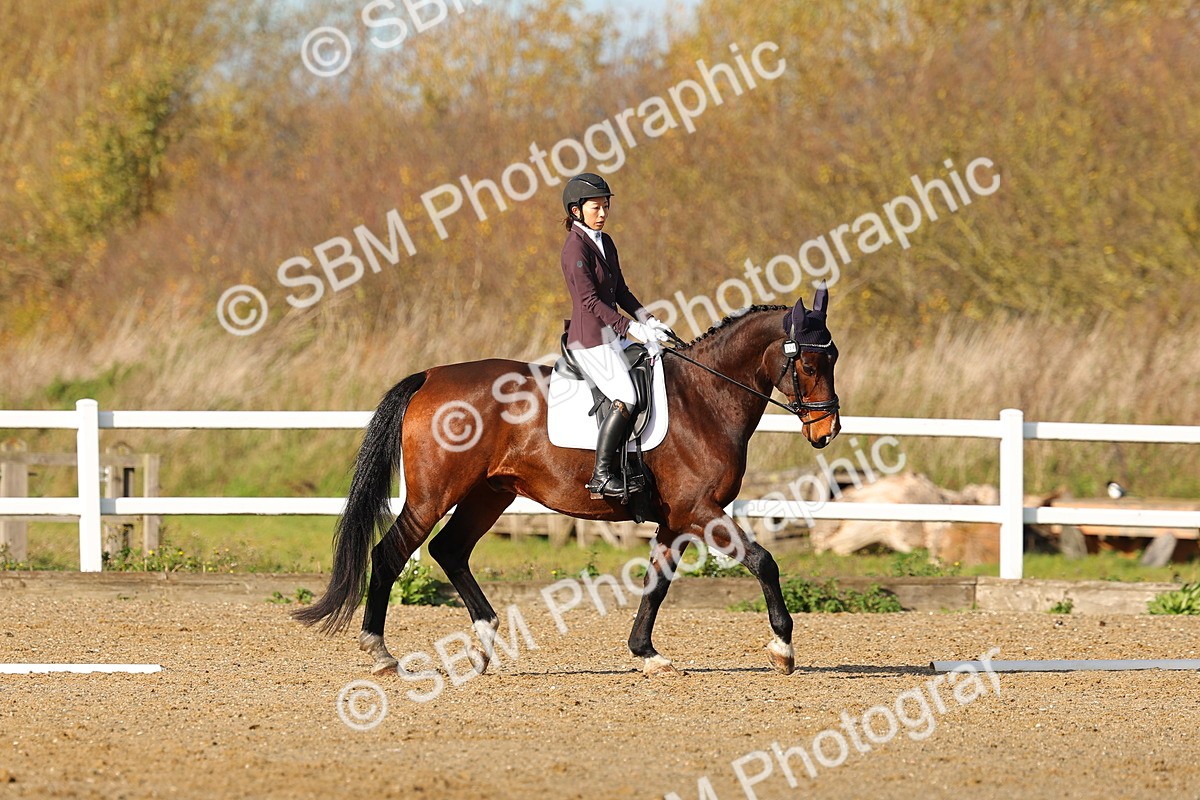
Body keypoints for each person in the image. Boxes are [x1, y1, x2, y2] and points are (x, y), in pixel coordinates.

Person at [559, 173, 673, 497]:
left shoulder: (605, 242)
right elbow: (589, 301)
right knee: (628, 397)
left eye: (606, 206)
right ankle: (602, 474)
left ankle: (637, 461)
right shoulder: (574, 249)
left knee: (655, 364)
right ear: (576, 211)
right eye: (596, 207)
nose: (603, 213)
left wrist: (647, 319)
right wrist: (629, 327)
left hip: (613, 336)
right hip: (589, 341)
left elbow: (620, 290)